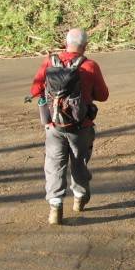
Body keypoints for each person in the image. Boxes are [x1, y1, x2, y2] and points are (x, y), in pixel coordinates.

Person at [29, 28, 109, 225]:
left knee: (54, 165)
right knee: (79, 163)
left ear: (65, 43)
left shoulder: (50, 62)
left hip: (54, 126)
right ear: (85, 46)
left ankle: (55, 205)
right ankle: (80, 197)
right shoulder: (90, 66)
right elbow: (103, 96)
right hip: (81, 127)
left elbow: (35, 90)